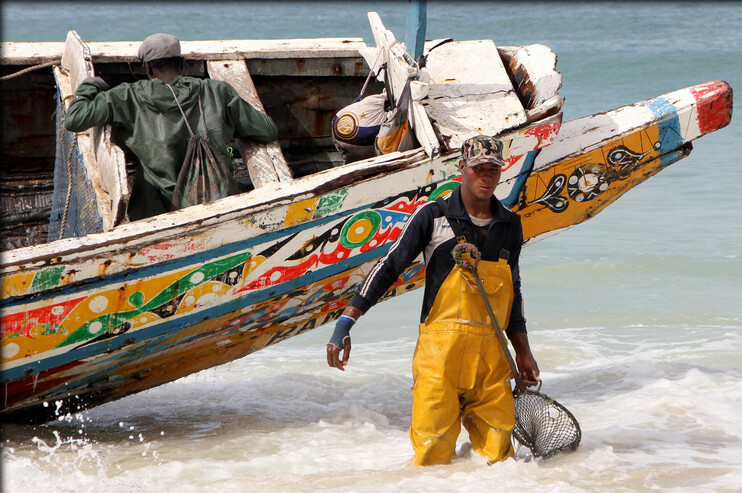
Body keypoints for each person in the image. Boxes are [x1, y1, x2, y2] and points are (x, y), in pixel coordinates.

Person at [326, 135, 541, 466]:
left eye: (493, 170)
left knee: (500, 462)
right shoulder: (433, 215)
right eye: (478, 169)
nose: (486, 177)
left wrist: (523, 351)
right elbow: (389, 267)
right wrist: (346, 322)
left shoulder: (510, 224)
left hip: (492, 362)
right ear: (461, 169)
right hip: (440, 359)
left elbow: (513, 290)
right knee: (432, 458)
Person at [64, 33, 279, 221]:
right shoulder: (216, 91)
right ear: (182, 62)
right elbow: (267, 130)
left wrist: (90, 86)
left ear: (147, 67)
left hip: (159, 212)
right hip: (218, 201)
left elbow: (74, 119)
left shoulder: (125, 96)